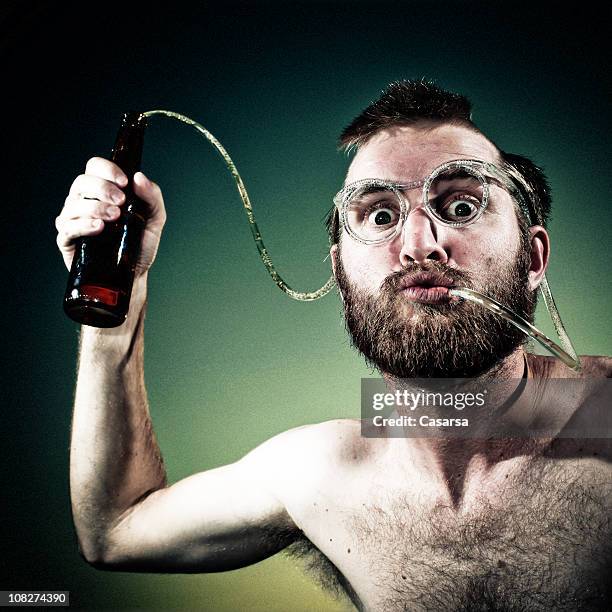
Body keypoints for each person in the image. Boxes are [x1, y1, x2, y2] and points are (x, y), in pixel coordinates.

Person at [57, 80, 611, 611]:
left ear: (534, 258)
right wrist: (115, 300)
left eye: (462, 206)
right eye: (380, 215)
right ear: (340, 269)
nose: (420, 246)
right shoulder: (324, 478)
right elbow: (115, 529)